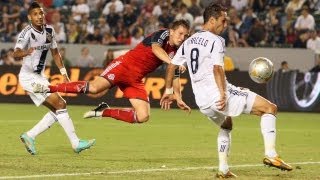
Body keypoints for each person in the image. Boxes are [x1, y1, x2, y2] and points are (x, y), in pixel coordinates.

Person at [160, 3, 293, 178]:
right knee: (270, 108)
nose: (226, 24)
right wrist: (224, 93)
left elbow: (172, 67)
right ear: (212, 20)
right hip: (218, 94)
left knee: (226, 124)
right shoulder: (216, 40)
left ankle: (223, 169)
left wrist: (168, 89)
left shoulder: (188, 42)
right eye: (223, 20)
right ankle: (271, 154)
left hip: (202, 101)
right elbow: (217, 69)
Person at [34, 19, 191, 124]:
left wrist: (178, 96)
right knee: (95, 88)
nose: (182, 38)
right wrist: (173, 62)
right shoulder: (162, 34)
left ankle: (104, 111)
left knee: (143, 116)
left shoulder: (177, 51)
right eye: (180, 34)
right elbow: (156, 49)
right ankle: (48, 88)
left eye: (185, 35)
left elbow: (174, 72)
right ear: (171, 31)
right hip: (123, 66)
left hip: (135, 80)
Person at [13, 2, 95, 155]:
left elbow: (55, 53)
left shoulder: (50, 31)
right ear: (30, 17)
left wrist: (64, 73)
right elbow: (15, 54)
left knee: (58, 110)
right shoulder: (26, 34)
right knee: (61, 103)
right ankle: (76, 143)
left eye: (41, 13)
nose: (39, 16)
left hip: (40, 77)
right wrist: (25, 52)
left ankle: (29, 135)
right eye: (36, 14)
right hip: (28, 78)